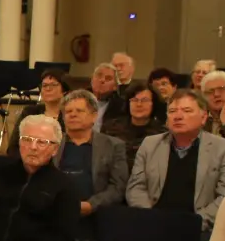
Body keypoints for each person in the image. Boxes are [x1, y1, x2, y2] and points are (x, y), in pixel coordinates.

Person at [126, 89, 225, 235]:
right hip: (152, 226)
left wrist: (191, 224)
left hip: (198, 229)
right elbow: (135, 188)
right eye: (172, 111)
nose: (178, 116)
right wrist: (151, 219)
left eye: (187, 110)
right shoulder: (150, 144)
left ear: (204, 117)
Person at [56, 91, 129, 231]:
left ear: (94, 116)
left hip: (96, 215)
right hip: (55, 213)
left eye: (79, 110)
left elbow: (118, 186)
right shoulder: (53, 143)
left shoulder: (113, 146)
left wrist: (91, 205)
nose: (72, 114)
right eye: (68, 111)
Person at [100, 84, 168, 169]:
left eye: (144, 100)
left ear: (154, 104)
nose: (139, 104)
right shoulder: (110, 127)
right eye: (134, 100)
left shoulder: (162, 133)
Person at [8, 69, 69, 154]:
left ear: (64, 90)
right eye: (44, 85)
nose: (48, 89)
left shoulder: (69, 114)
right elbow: (13, 146)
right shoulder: (29, 112)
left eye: (53, 85)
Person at [88, 62, 124, 129]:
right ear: (92, 80)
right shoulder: (79, 99)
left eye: (108, 78)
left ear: (115, 87)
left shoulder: (122, 107)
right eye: (99, 76)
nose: (102, 80)